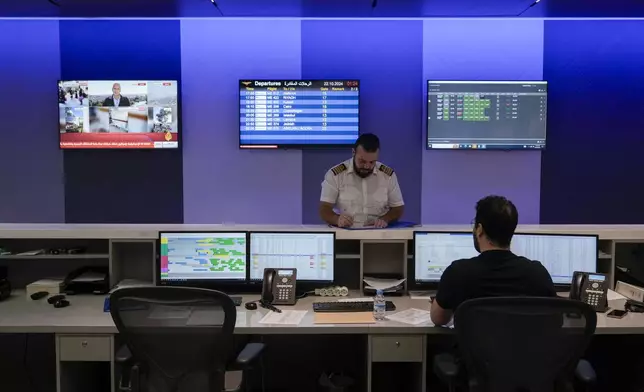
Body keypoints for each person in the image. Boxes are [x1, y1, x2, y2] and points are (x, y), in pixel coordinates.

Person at [430, 195, 556, 326]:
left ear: (479, 230)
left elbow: (438, 319)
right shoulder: (537, 273)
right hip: (523, 347)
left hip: (474, 347)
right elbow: (555, 320)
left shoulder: (457, 272)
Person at [319, 133, 404, 228]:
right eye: (362, 161)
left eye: (372, 162)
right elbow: (324, 208)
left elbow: (398, 208)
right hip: (346, 232)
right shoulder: (335, 175)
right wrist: (337, 219)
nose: (367, 166)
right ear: (353, 152)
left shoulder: (387, 175)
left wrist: (385, 219)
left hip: (378, 232)